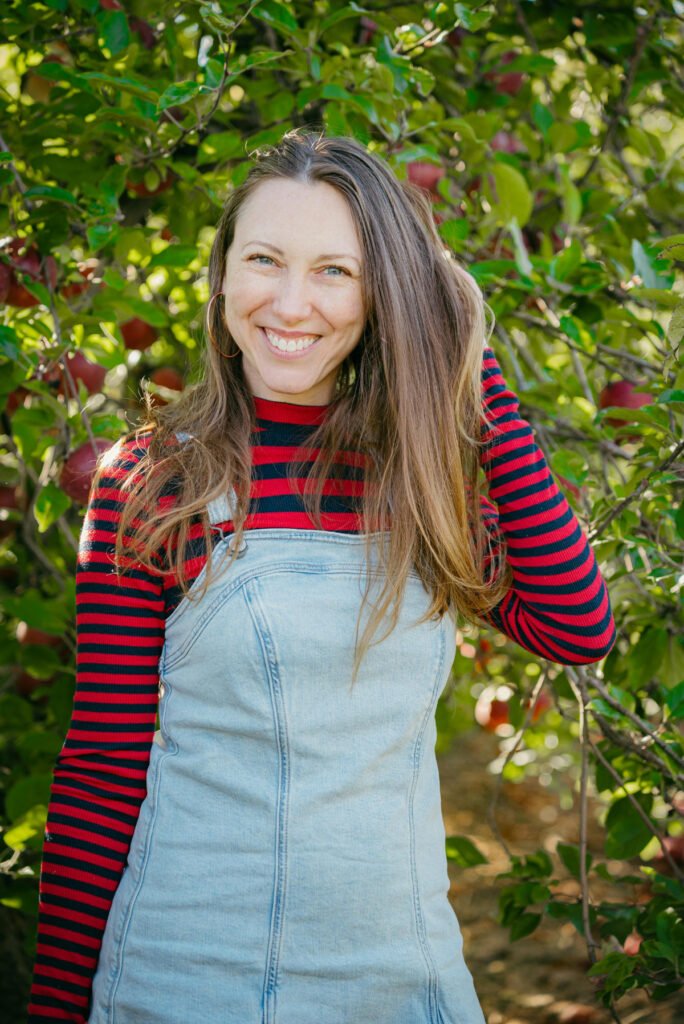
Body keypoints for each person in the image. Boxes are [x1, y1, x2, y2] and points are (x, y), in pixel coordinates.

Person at [28, 130, 616, 1024]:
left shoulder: (419, 482)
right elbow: (105, 769)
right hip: (181, 979)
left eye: (336, 271)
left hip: (395, 982)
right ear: (223, 272)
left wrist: (470, 372)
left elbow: (579, 628)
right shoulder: (153, 481)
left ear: (386, 294)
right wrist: (58, 1008)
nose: (291, 303)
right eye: (264, 259)